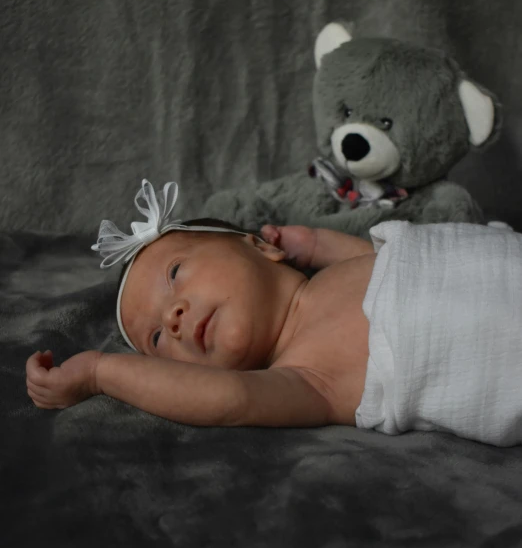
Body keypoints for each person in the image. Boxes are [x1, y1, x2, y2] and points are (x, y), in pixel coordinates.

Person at [26, 180, 522, 446]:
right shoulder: (305, 380)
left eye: (175, 273)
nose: (173, 317)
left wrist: (314, 241)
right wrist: (100, 371)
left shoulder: (341, 271)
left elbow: (391, 262)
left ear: (264, 248)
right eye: (157, 339)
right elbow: (229, 399)